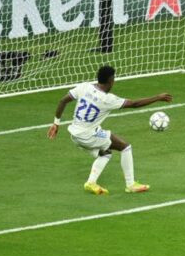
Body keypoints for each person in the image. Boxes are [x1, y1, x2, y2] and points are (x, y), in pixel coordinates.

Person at [47, 65, 173, 194]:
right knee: (125, 146)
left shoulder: (84, 87)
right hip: (88, 136)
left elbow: (63, 101)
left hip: (74, 135)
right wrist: (158, 97)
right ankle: (131, 185)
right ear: (111, 80)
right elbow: (134, 104)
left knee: (105, 153)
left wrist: (56, 124)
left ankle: (91, 183)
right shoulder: (107, 99)